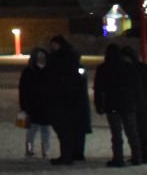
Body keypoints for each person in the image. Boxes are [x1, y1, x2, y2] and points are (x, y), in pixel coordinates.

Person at [46, 35, 91, 164]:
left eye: (53, 44)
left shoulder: (59, 59)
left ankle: (66, 156)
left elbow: (56, 79)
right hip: (75, 99)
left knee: (63, 128)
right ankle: (75, 153)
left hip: (63, 99)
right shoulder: (73, 58)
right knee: (73, 128)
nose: (52, 47)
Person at [94, 44, 139, 167]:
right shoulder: (128, 67)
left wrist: (99, 104)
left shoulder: (103, 68)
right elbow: (136, 85)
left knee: (116, 132)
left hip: (112, 103)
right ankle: (136, 156)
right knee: (131, 131)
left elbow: (98, 88)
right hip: (127, 103)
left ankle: (118, 158)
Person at [18, 47, 55, 159]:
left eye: (43, 56)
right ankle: (29, 150)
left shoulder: (50, 70)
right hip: (32, 105)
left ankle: (46, 151)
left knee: (45, 130)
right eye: (39, 57)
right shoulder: (28, 71)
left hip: (46, 105)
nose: (41, 59)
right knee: (32, 130)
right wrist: (24, 106)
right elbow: (23, 90)